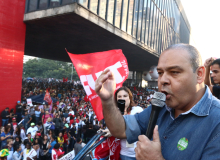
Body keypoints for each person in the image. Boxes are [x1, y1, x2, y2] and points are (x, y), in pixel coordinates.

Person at [95, 44, 220, 159]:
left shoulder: (216, 122)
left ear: (199, 74)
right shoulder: (161, 106)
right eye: (160, 73)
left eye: (174, 72)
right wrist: (107, 100)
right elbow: (121, 129)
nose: (162, 80)